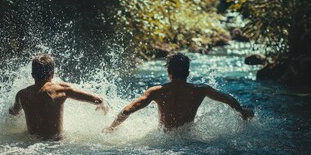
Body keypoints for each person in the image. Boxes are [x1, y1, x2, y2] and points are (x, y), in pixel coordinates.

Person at [108, 53, 254, 131]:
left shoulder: (156, 91)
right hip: (188, 140)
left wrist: (111, 127)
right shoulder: (201, 90)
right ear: (188, 73)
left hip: (164, 140)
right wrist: (241, 111)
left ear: (169, 72)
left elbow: (128, 110)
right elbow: (228, 99)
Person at [9, 54, 108, 140]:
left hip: (32, 145)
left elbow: (13, 112)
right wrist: (102, 106)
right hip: (55, 144)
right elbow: (97, 100)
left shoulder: (22, 94)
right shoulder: (61, 89)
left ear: (32, 75)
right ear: (52, 74)